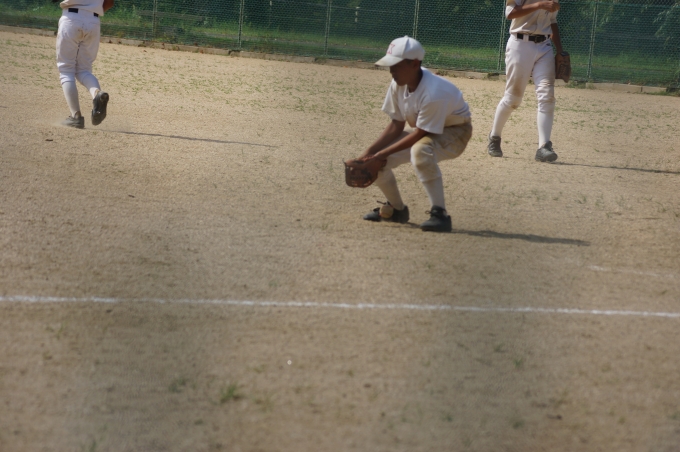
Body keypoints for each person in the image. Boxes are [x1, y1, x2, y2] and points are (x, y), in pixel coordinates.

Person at [357, 36, 472, 233]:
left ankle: (440, 215)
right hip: (425, 130)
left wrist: (380, 154)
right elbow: (396, 125)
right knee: (376, 161)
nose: (392, 71)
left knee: (420, 151)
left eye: (396, 65)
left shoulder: (434, 92)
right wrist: (368, 154)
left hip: (455, 132)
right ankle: (397, 210)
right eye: (390, 65)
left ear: (415, 64)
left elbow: (420, 133)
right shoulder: (398, 84)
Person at [488, 0, 564, 162]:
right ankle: (494, 137)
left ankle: (544, 146)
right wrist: (539, 5)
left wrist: (560, 50)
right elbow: (510, 13)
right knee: (513, 99)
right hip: (520, 45)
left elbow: (552, 21)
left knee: (547, 95)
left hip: (544, 46)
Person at [55, 0, 115, 128]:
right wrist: (91, 10)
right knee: (84, 70)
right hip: (93, 21)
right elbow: (110, 2)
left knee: (66, 70)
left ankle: (75, 116)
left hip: (71, 18)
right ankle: (97, 94)